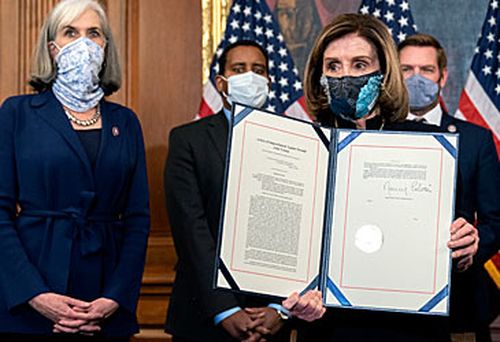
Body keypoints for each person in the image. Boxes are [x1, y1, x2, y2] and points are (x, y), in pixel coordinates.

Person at [298, 13, 481, 341]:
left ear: (383, 73)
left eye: (359, 64)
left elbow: (453, 255)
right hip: (331, 329)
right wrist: (292, 301)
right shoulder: (305, 150)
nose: (345, 76)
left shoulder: (431, 148)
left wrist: (464, 250)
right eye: (333, 66)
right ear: (319, 75)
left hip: (412, 329)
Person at [0, 0, 150, 340]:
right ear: (53, 48)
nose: (83, 42)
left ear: (105, 47)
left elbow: (138, 220)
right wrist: (35, 294)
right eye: (71, 32)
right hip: (32, 295)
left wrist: (113, 298)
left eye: (93, 33)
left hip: (103, 299)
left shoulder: (125, 122)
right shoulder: (17, 113)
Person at [164, 40, 325, 342]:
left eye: (258, 70)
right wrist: (224, 310)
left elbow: (306, 232)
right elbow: (191, 230)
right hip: (203, 316)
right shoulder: (188, 140)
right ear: (221, 82)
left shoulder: (298, 141)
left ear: (268, 81)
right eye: (239, 69)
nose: (249, 76)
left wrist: (279, 309)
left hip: (271, 318)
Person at [398, 33, 500, 342]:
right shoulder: (374, 133)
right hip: (388, 302)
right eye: (406, 70)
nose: (417, 78)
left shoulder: (476, 140)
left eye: (426, 70)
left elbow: (496, 220)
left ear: (442, 76)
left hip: (458, 303)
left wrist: (468, 250)